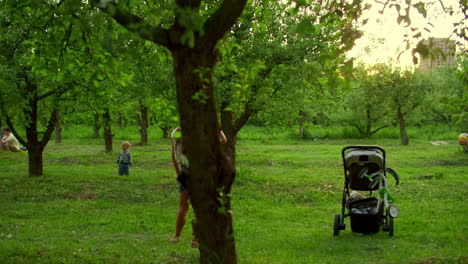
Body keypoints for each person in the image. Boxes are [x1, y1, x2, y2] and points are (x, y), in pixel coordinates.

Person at [169, 127, 227, 248]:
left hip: (185, 172)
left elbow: (174, 157)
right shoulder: (203, 134)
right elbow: (224, 140)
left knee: (183, 206)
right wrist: (217, 128)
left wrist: (178, 174)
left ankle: (176, 236)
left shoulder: (177, 135)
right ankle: (195, 239)